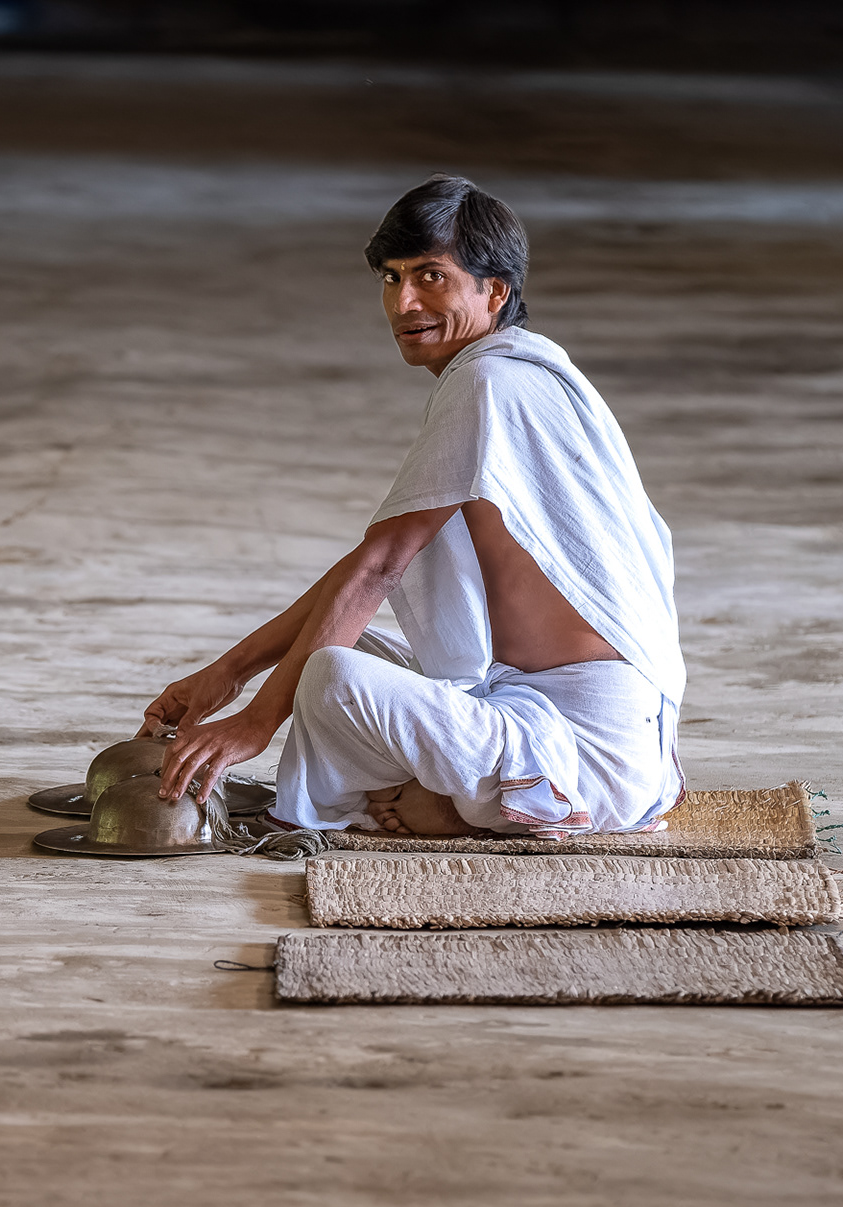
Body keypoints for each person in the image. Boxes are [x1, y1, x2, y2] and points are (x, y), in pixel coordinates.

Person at [139, 175, 684, 838]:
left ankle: (456, 808)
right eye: (392, 279)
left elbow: (380, 567)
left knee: (332, 671)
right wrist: (226, 674)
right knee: (345, 644)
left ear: (495, 290)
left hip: (588, 747)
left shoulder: (489, 382)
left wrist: (256, 723)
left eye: (431, 276)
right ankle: (437, 797)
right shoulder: (508, 374)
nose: (405, 301)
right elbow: (364, 572)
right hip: (533, 705)